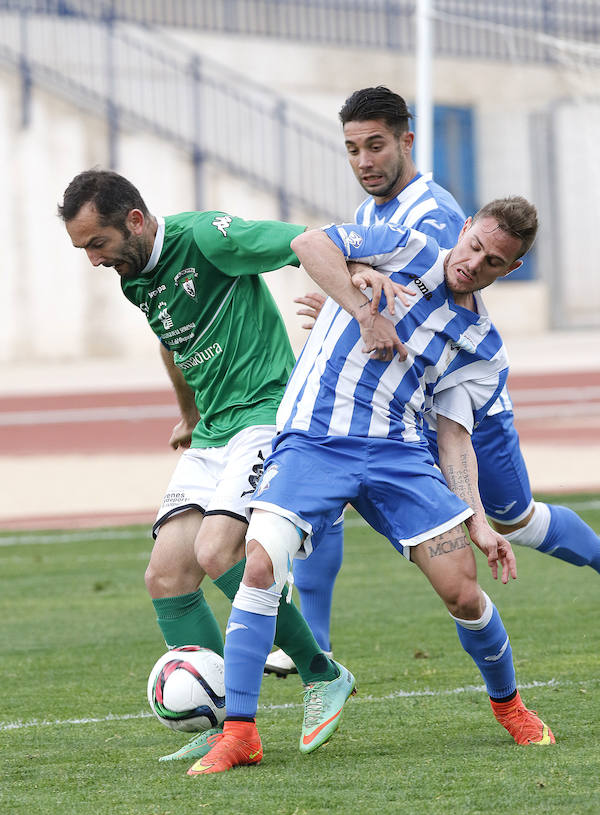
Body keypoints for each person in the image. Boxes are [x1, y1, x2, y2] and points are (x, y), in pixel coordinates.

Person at [188, 196, 556, 775]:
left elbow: (456, 441)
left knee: (463, 591)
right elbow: (310, 245)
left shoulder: (482, 347)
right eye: (475, 245)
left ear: (510, 270)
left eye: (493, 262)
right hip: (313, 440)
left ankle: (509, 705)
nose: (473, 263)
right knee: (259, 565)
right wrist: (363, 306)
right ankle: (239, 733)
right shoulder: (403, 244)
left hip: (399, 456)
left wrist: (480, 525)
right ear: (463, 230)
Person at [266, 85, 600, 676]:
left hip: (462, 402)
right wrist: (352, 300)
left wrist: (360, 306)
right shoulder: (375, 212)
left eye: (376, 146)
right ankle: (314, 646)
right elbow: (357, 274)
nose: (364, 161)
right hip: (404, 394)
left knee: (512, 520)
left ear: (406, 142)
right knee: (326, 490)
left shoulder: (434, 214)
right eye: (352, 149)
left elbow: (439, 304)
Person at [58, 169, 366, 762]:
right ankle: (221, 722)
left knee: (216, 552)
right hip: (214, 430)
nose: (94, 260)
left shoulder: (210, 238)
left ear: (136, 221)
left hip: (263, 412)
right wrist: (188, 412)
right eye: (84, 249)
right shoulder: (135, 280)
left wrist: (356, 284)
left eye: (98, 243)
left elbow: (305, 240)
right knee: (166, 576)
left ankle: (322, 672)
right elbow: (171, 342)